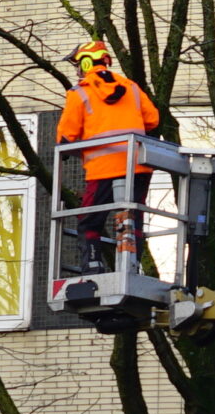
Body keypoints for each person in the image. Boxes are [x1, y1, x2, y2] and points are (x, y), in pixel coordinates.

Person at [56, 40, 161, 269]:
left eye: (78, 65)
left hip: (103, 168)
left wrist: (64, 149)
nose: (78, 71)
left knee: (90, 220)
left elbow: (67, 136)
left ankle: (93, 264)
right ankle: (131, 265)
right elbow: (153, 119)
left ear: (85, 62)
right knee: (131, 220)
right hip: (137, 166)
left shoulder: (79, 93)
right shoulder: (131, 87)